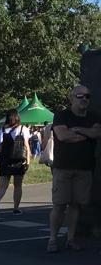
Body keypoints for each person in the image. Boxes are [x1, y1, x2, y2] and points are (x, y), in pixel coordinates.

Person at [47, 85, 101, 253]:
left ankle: (71, 238)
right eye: (80, 96)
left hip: (84, 168)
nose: (84, 99)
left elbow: (97, 134)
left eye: (87, 96)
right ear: (72, 98)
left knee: (76, 205)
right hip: (63, 167)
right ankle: (53, 238)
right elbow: (62, 136)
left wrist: (76, 130)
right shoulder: (62, 115)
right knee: (59, 205)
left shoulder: (93, 117)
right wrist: (86, 133)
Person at [0, 110, 31, 216]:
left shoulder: (2, 130)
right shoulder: (23, 129)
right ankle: (16, 208)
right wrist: (28, 161)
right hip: (18, 161)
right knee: (18, 185)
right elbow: (26, 146)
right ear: (18, 117)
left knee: (3, 185)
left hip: (5, 160)